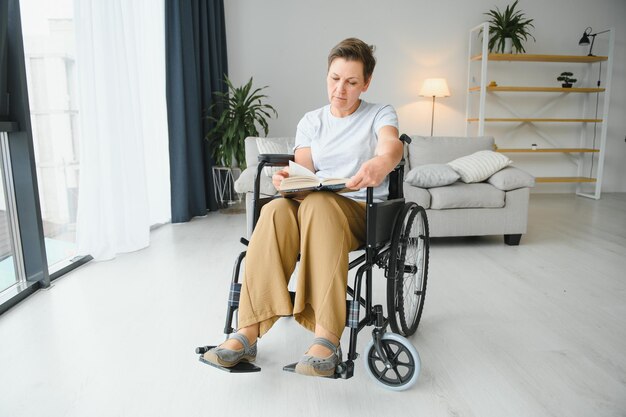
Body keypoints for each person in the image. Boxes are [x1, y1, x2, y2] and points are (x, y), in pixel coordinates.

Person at [203, 37, 403, 377]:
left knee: (320, 206)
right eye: (335, 78)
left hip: (359, 212)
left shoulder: (379, 113)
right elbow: (305, 173)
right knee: (276, 211)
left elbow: (391, 146)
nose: (341, 89)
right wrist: (288, 181)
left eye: (351, 82)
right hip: (313, 205)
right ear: (327, 76)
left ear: (365, 83)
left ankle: (327, 337)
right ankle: (248, 332)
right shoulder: (312, 121)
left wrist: (380, 164)